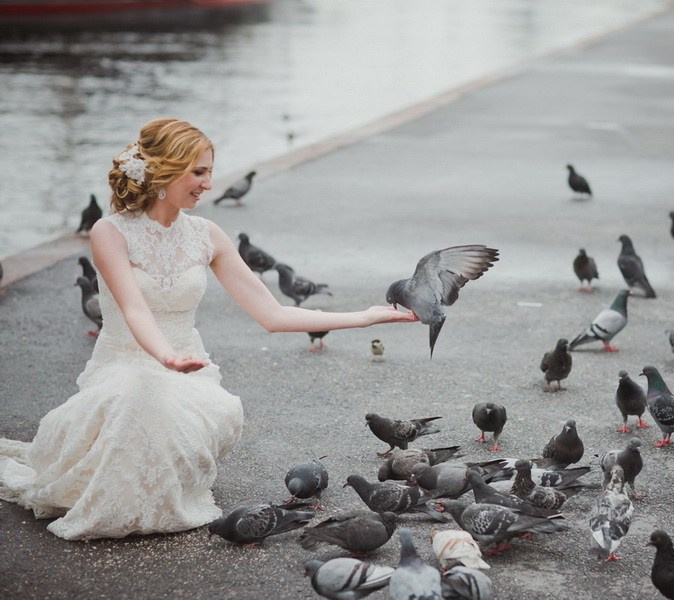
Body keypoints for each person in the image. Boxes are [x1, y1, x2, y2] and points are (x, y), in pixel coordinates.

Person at [0, 118, 416, 540]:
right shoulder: (110, 231)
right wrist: (165, 357)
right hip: (124, 363)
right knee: (135, 398)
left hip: (189, 372)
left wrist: (363, 316)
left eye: (210, 172)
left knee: (159, 411)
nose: (208, 184)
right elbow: (135, 310)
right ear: (164, 169)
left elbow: (273, 315)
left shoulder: (206, 235)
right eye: (198, 172)